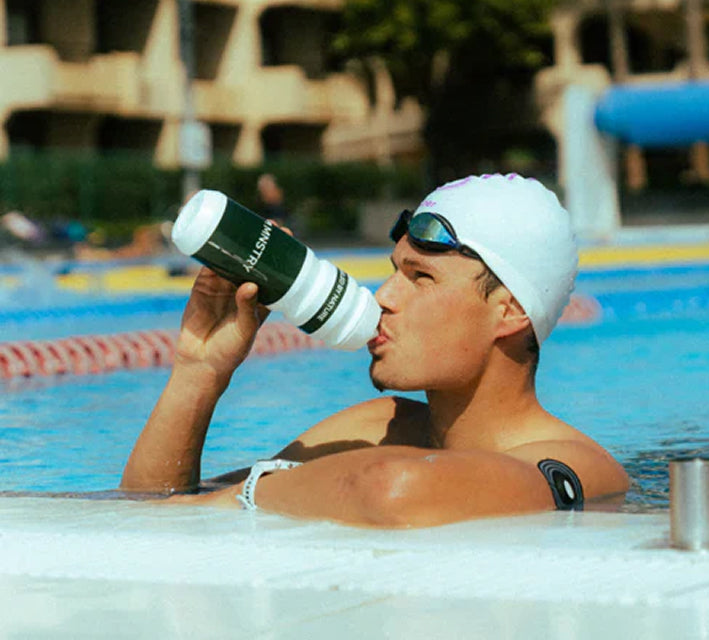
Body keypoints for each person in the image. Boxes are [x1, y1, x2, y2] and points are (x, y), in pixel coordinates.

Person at [121, 174, 629, 526]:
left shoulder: (581, 466)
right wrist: (200, 370)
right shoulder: (378, 424)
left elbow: (393, 490)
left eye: (421, 278)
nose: (384, 296)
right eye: (393, 271)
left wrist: (243, 495)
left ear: (509, 311)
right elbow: (151, 508)